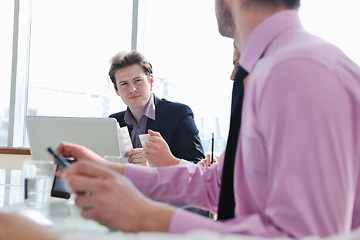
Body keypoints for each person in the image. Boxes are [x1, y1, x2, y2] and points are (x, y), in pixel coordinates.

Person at [1, 0, 360, 239]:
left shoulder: (298, 72)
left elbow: (306, 236)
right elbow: (219, 187)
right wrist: (110, 170)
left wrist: (147, 217)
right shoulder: (273, 68)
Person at [108, 50, 204, 166]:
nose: (132, 89)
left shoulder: (178, 114)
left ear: (151, 81)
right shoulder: (114, 121)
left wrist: (154, 165)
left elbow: (198, 166)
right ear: (116, 89)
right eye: (124, 84)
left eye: (138, 80)